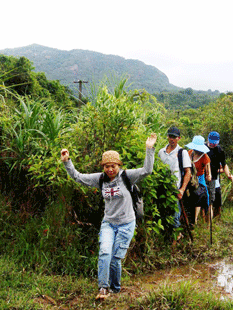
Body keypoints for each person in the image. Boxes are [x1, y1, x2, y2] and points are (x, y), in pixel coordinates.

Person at [60, 133, 157, 300]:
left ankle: (116, 288)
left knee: (115, 258)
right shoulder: (100, 179)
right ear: (103, 167)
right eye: (106, 166)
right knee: (105, 252)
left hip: (127, 223)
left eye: (113, 166)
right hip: (109, 223)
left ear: (118, 165)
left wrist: (149, 149)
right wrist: (67, 162)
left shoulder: (127, 176)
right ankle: (103, 288)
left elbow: (147, 170)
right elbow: (78, 177)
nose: (110, 169)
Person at [158, 126, 191, 237]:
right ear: (167, 137)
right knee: (163, 214)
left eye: (174, 137)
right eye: (170, 136)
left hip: (175, 189)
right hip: (162, 188)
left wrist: (182, 189)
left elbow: (188, 172)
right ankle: (167, 237)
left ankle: (176, 239)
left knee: (175, 216)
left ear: (179, 138)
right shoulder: (161, 152)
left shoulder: (182, 152)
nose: (172, 139)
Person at [206, 131, 233, 218]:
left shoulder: (219, 150)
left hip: (214, 177)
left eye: (215, 143)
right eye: (211, 143)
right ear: (208, 140)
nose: (213, 145)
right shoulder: (203, 148)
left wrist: (229, 175)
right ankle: (204, 217)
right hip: (202, 176)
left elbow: (224, 164)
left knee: (215, 197)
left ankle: (216, 216)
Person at [186, 135, 212, 224]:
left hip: (199, 178)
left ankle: (196, 219)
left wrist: (209, 177)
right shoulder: (189, 153)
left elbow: (209, 173)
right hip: (188, 176)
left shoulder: (205, 157)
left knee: (202, 195)